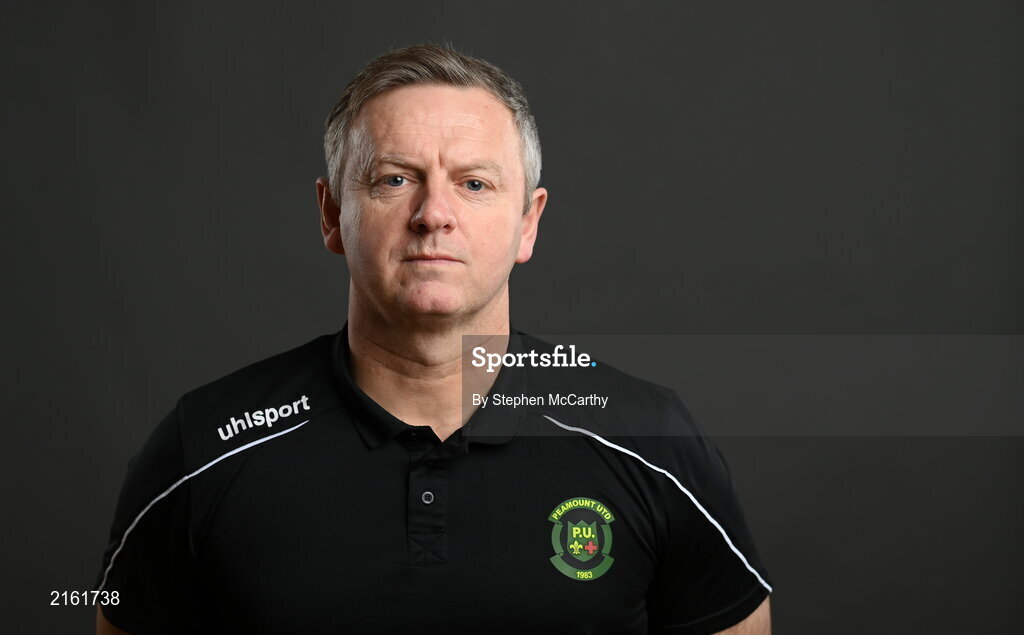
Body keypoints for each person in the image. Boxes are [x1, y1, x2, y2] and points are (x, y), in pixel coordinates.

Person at [95, 43, 772, 634]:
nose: (433, 215)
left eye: (474, 183)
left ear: (528, 223)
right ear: (333, 215)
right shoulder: (202, 448)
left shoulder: (653, 443)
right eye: (394, 179)